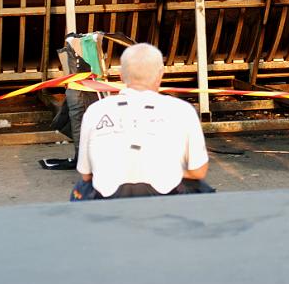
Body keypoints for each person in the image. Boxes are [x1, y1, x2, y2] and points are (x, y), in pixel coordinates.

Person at [72, 43, 211, 200]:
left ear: (121, 75)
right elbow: (198, 171)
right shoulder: (181, 110)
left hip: (109, 201)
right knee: (201, 189)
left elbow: (86, 175)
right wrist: (171, 172)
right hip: (165, 199)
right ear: (161, 74)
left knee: (80, 189)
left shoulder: (95, 111)